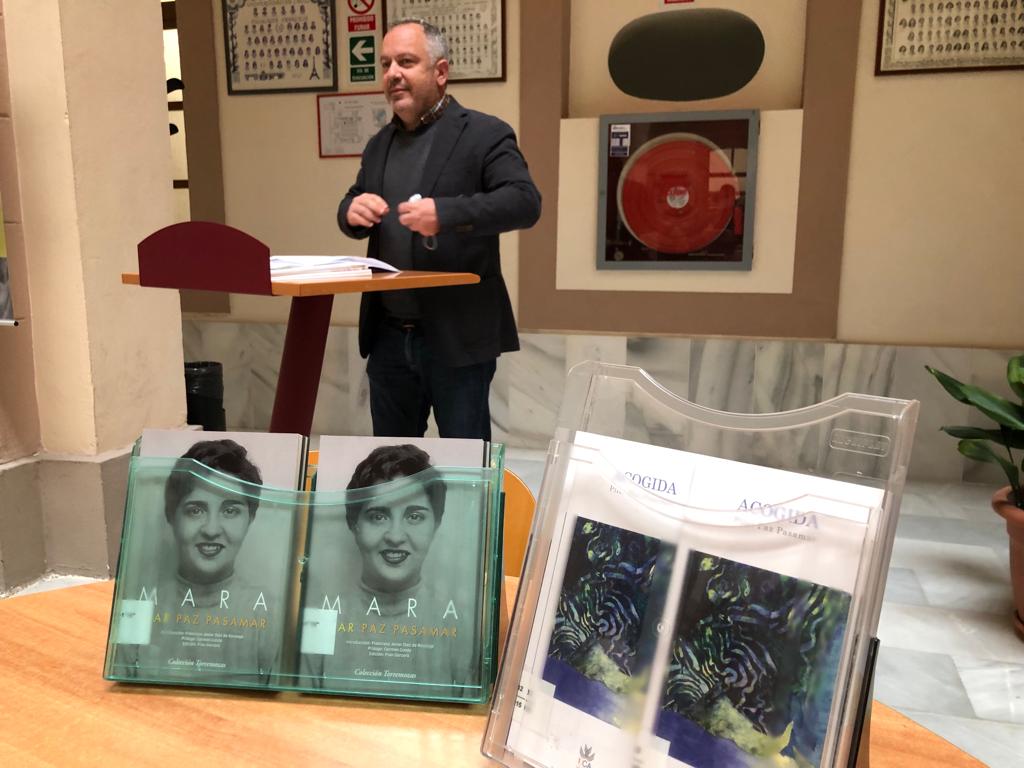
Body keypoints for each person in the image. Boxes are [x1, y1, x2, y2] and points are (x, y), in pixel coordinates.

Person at [338, 18, 541, 440]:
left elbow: (524, 202)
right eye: (386, 64)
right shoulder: (379, 144)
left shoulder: (484, 133)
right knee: (391, 464)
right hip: (389, 337)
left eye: (406, 62)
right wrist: (350, 211)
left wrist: (445, 214)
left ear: (440, 72)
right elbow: (354, 200)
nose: (392, 73)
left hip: (457, 336)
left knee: (465, 466)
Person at [303, 444, 477, 693]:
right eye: (378, 516)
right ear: (354, 523)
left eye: (414, 516)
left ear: (436, 524)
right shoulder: (321, 619)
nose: (395, 536)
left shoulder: (461, 625)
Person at [112, 440, 280, 685]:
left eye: (230, 511)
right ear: (171, 515)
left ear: (250, 518)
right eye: (195, 510)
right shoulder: (140, 607)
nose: (211, 530)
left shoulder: (271, 614)